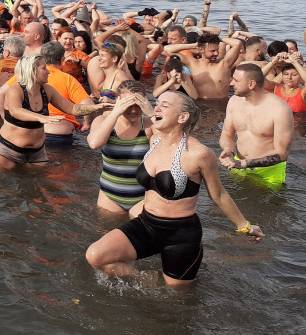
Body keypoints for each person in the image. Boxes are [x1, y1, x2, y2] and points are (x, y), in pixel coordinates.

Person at [86, 91, 264, 285]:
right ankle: (149, 281)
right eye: (157, 103)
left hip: (181, 236)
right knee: (96, 256)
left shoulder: (199, 154)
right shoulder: (154, 141)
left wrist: (244, 226)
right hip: (145, 224)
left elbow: (219, 195)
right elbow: (98, 141)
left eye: (166, 105)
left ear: (182, 117)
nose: (157, 107)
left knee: (178, 298)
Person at [0, 55, 107, 173]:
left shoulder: (47, 90)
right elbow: (16, 111)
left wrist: (95, 108)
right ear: (31, 70)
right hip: (8, 152)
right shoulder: (15, 90)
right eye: (43, 68)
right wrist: (41, 117)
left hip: (37, 155)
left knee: (36, 189)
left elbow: (73, 109)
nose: (48, 72)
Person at [218, 63, 294, 187]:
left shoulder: (280, 109)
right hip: (237, 164)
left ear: (251, 84)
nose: (231, 83)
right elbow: (226, 134)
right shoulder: (234, 101)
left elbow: (282, 154)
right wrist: (228, 150)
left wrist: (245, 163)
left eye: (236, 80)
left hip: (269, 172)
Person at [87, 81, 154, 213]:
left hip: (142, 198)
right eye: (128, 104)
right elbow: (94, 144)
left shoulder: (149, 125)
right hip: (110, 198)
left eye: (138, 105)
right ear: (118, 101)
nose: (133, 110)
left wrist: (152, 113)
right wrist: (116, 112)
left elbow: (170, 148)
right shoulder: (102, 121)